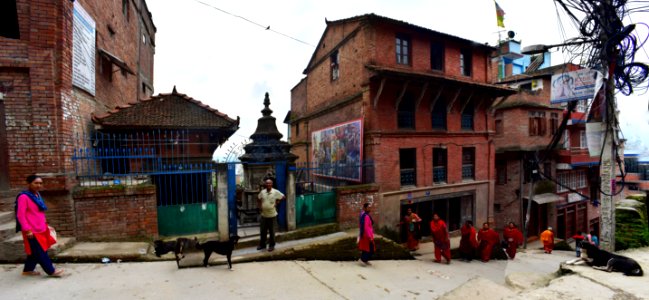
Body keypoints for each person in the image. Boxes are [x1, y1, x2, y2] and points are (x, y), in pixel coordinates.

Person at [15, 175, 64, 277]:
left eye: (40, 183)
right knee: (41, 251)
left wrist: (46, 225)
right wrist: (27, 230)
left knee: (34, 251)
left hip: (40, 227)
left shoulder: (37, 195)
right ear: (28, 183)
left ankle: (28, 270)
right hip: (31, 230)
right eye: (36, 183)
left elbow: (39, 212)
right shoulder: (23, 197)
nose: (38, 185)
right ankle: (51, 271)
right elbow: (20, 215)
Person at [257, 179, 285, 252]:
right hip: (263, 216)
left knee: (272, 232)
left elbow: (283, 197)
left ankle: (271, 245)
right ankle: (262, 244)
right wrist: (260, 207)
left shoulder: (275, 192)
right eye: (267, 183)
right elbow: (258, 198)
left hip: (272, 216)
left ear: (272, 184)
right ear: (265, 184)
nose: (268, 185)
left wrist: (277, 202)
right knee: (263, 231)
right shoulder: (262, 192)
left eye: (270, 183)